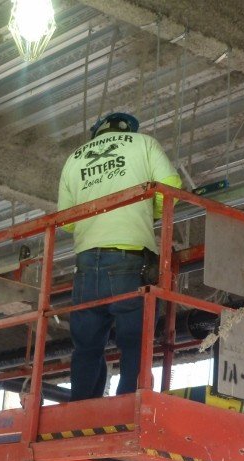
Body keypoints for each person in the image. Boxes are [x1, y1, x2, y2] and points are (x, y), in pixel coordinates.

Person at [57, 112, 182, 400]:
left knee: (87, 346)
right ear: (128, 129)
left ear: (98, 133)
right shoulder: (144, 143)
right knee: (135, 342)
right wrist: (148, 212)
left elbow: (66, 221)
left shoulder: (74, 158)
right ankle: (128, 407)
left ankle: (82, 409)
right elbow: (171, 187)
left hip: (86, 264)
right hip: (129, 257)